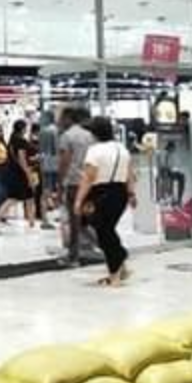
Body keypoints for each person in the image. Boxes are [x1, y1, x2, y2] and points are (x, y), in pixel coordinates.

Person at [72, 117, 136, 287]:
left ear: (95, 133)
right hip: (120, 193)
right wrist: (131, 194)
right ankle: (121, 266)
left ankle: (115, 272)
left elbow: (88, 177)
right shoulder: (121, 148)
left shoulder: (95, 150)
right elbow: (130, 174)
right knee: (107, 230)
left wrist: (79, 200)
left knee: (104, 233)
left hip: (101, 193)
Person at [55, 107, 95, 265]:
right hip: (89, 182)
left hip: (74, 183)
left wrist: (59, 183)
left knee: (75, 221)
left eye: (61, 118)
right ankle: (108, 247)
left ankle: (74, 257)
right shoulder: (90, 136)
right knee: (88, 220)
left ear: (68, 118)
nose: (59, 122)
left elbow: (65, 162)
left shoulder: (67, 136)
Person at [0, 119, 36, 226]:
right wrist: (28, 174)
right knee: (14, 198)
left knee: (28, 197)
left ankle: (31, 221)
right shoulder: (20, 141)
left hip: (13, 172)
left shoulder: (11, 141)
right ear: (23, 129)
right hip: (20, 173)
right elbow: (22, 159)